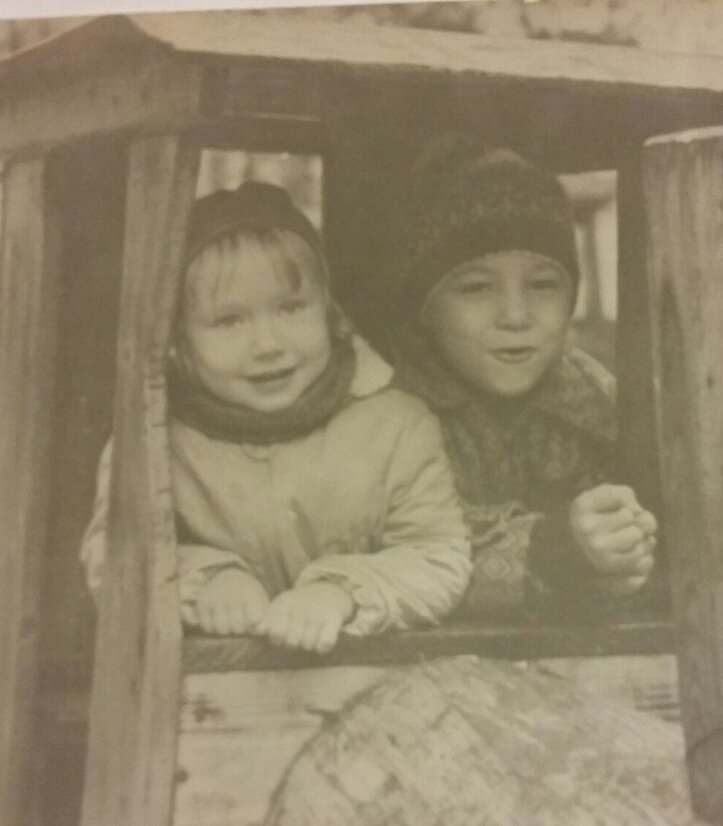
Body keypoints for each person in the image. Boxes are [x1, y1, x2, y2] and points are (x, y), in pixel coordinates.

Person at [80, 182, 471, 653]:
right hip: (214, 691)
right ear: (178, 342)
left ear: (329, 312)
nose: (268, 345)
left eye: (291, 309)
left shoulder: (396, 426)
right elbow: (115, 554)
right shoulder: (155, 437)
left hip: (370, 683)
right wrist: (204, 579)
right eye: (229, 321)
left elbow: (437, 556)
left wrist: (340, 593)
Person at [385, 134, 657, 619]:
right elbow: (407, 559)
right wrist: (559, 551)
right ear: (426, 309)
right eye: (476, 287)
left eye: (544, 284)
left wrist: (625, 553)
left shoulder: (601, 404)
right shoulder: (388, 421)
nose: (515, 316)